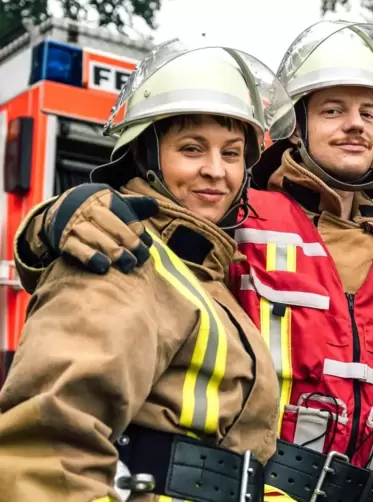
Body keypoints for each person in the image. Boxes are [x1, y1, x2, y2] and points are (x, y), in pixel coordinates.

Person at [9, 21, 373, 500]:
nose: (216, 169)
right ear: (295, 128)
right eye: (333, 109)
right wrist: (50, 221)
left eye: (367, 113)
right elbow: (50, 438)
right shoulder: (237, 222)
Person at [0, 39, 297, 501]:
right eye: (193, 149)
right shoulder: (120, 256)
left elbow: (229, 458)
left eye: (233, 153)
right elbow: (47, 454)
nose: (216, 171)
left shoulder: (204, 275)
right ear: (145, 156)